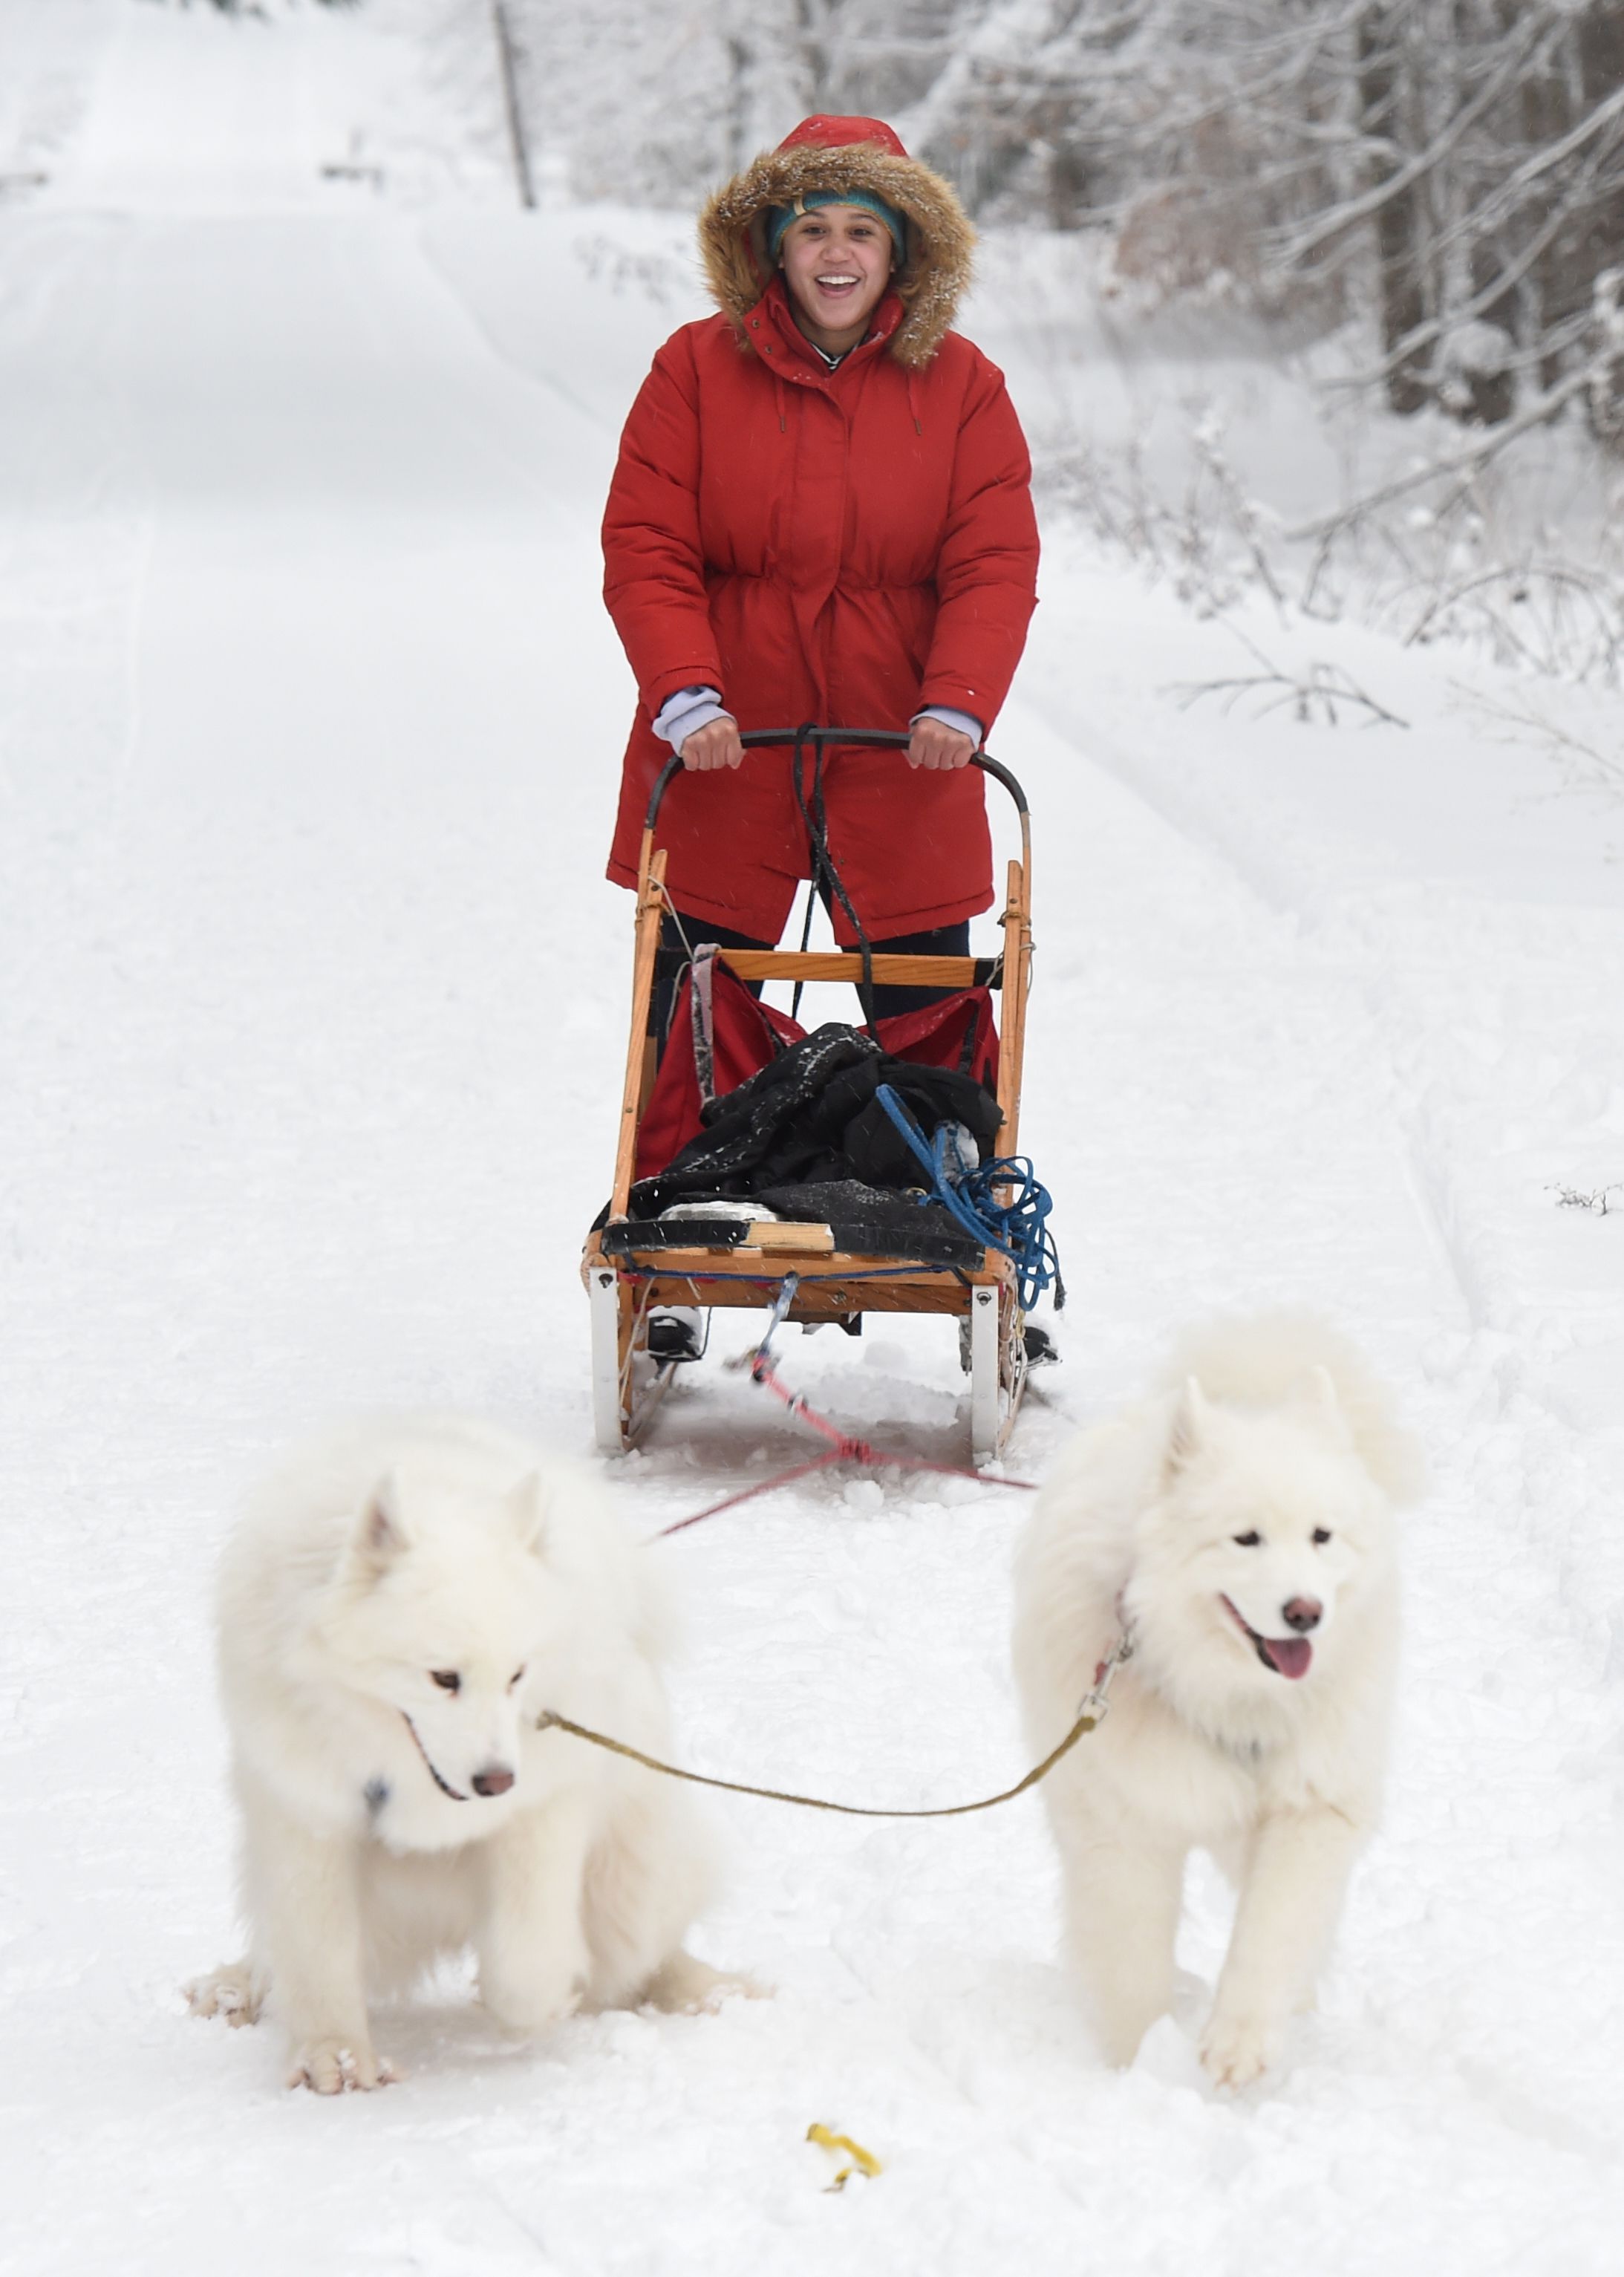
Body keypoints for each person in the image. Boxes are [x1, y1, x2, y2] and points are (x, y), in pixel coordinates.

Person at [601, 113, 1040, 1033]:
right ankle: (679, 1176)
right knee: (693, 1037)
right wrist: (687, 697)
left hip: (901, 753)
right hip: (727, 751)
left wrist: (957, 703)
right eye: (811, 227)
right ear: (773, 248)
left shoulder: (964, 387)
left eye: (862, 229)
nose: (835, 253)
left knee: (931, 1039)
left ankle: (933, 1167)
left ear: (900, 251)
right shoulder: (692, 368)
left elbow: (992, 563)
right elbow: (648, 546)